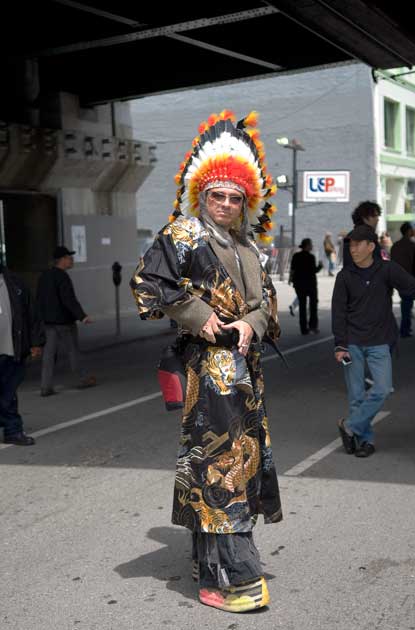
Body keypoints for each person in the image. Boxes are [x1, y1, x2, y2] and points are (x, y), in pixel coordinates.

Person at [130, 110, 282, 613]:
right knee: (222, 470)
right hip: (208, 377)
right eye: (217, 195)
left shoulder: (251, 249)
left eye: (235, 197)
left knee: (239, 465)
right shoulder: (182, 235)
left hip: (245, 376)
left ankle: (205, 564)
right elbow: (147, 284)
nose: (225, 203)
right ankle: (236, 580)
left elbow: (269, 305)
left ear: (246, 202)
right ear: (202, 194)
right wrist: (199, 316)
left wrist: (251, 324)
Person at [332, 225, 415, 458]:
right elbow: (338, 312)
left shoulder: (387, 269)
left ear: (371, 246)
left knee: (382, 389)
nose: (352, 249)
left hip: (379, 341)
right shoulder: (345, 276)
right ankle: (365, 441)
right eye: (351, 245)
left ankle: (350, 426)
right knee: (356, 395)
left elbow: (412, 287)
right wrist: (340, 344)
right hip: (352, 343)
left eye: (357, 244)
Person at [36, 246, 96, 397]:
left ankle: (45, 386)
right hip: (64, 323)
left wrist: (40, 319)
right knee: (73, 351)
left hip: (48, 323)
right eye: (69, 257)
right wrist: (82, 316)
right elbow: (68, 299)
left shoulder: (44, 276)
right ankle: (83, 378)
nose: (71, 260)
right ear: (62, 260)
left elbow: (39, 300)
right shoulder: (62, 277)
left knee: (48, 355)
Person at [0, 262, 44, 445]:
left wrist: (36, 342)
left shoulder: (15, 283)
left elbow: (31, 314)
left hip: (11, 348)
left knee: (9, 392)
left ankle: (13, 431)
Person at [289, 238, 323, 335]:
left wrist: (290, 280)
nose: (312, 246)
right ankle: (313, 326)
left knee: (302, 307)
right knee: (313, 306)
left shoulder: (296, 256)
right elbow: (314, 270)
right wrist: (320, 266)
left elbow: (292, 269)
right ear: (307, 246)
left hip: (299, 284)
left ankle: (303, 329)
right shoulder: (311, 257)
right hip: (310, 284)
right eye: (311, 244)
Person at [390, 222, 415, 337]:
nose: (413, 231)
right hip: (409, 276)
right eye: (412, 229)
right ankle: (404, 329)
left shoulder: (395, 245)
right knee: (407, 303)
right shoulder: (412, 245)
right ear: (408, 231)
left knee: (406, 302)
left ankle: (405, 328)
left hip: (397, 277)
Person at [342, 200, 382, 265]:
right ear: (365, 218)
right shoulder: (368, 235)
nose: (377, 219)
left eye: (378, 216)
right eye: (374, 216)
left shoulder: (351, 234)